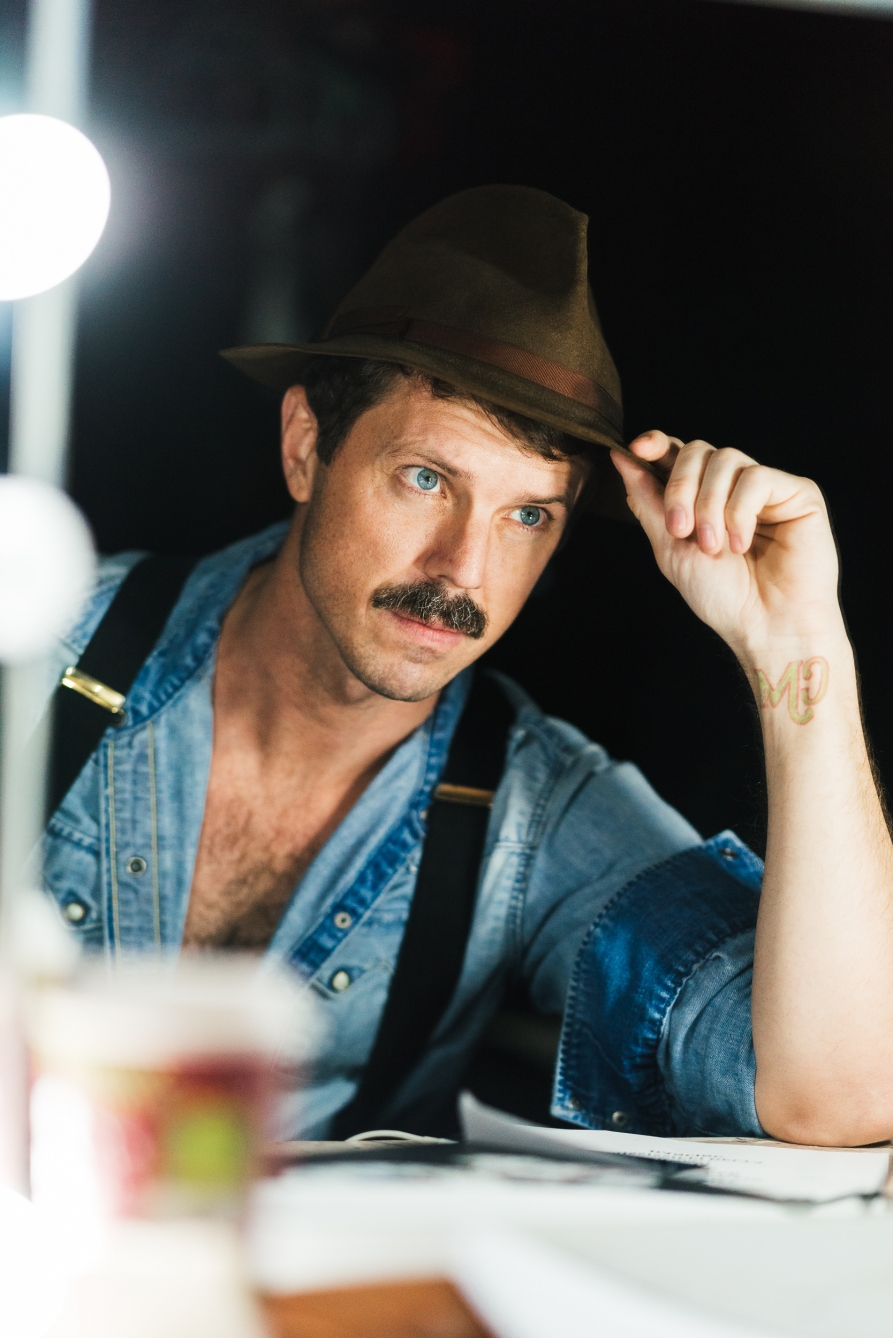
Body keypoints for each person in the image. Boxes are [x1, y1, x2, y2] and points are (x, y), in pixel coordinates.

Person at [44, 186, 893, 1145]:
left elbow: (843, 1094)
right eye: (426, 479)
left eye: (527, 515)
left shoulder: (533, 813)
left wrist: (799, 648)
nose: (463, 572)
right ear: (305, 447)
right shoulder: (40, 649)